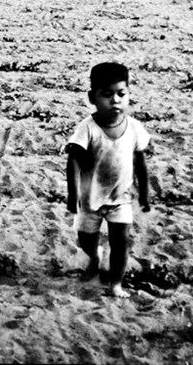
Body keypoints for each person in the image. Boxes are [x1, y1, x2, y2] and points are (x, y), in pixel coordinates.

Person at [64, 62, 151, 298]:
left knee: (120, 241)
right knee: (86, 239)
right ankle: (94, 257)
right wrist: (73, 195)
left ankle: (115, 284)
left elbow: (140, 161)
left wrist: (144, 194)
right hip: (90, 199)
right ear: (92, 97)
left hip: (121, 198)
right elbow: (73, 160)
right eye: (107, 94)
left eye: (121, 94)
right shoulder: (87, 128)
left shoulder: (134, 128)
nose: (115, 100)